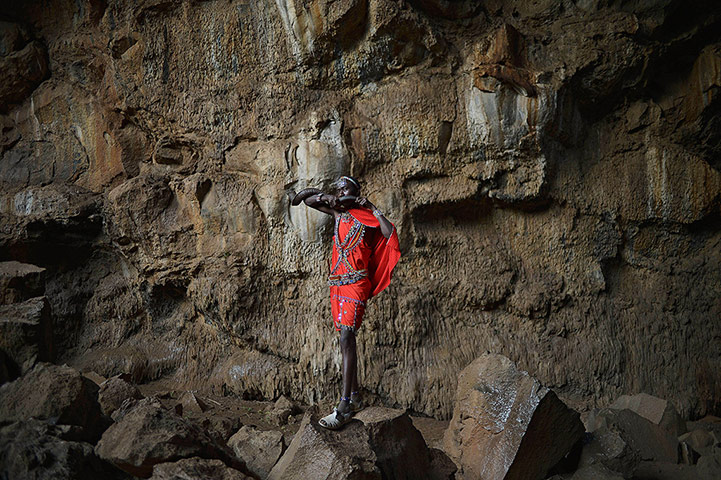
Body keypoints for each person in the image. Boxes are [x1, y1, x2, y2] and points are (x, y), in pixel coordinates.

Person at [299, 175, 401, 429]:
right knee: (344, 337)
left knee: (347, 337)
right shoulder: (337, 213)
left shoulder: (366, 218)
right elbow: (306, 200)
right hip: (337, 283)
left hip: (356, 284)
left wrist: (372, 209)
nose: (342, 191)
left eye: (346, 188)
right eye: (340, 189)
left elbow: (389, 234)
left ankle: (344, 406)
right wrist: (326, 197)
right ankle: (355, 395)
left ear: (356, 191)